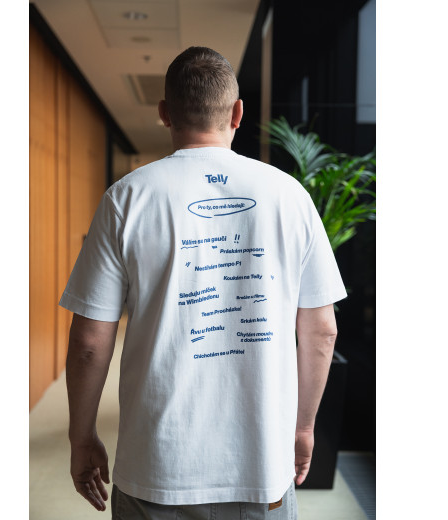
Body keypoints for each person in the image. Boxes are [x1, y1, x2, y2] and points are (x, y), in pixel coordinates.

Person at [59, 46, 347, 519]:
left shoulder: (126, 198)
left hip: (156, 467)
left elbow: (90, 342)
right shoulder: (290, 196)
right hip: (261, 468)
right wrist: (302, 428)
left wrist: (81, 435)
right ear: (237, 114)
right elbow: (322, 332)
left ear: (165, 113)